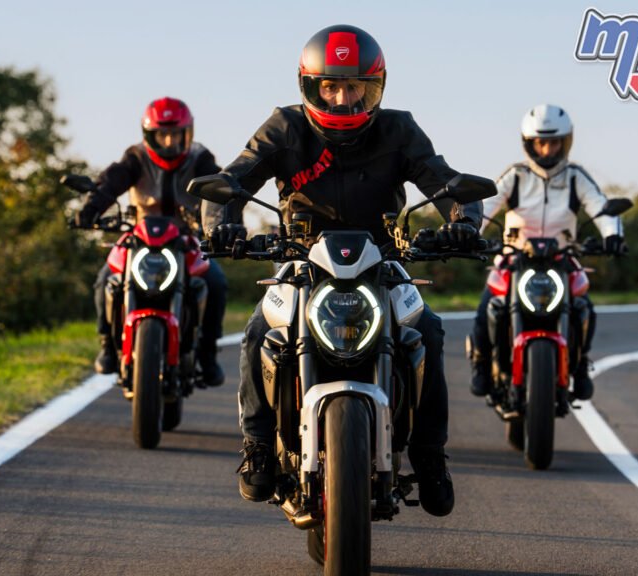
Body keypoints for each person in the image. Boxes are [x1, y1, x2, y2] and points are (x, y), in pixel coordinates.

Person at [200, 24, 484, 517]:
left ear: (375, 88)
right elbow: (234, 177)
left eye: (355, 87)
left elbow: (444, 180)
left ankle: (430, 457)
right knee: (258, 332)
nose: (343, 97)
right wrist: (223, 225)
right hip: (300, 259)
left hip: (385, 262)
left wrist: (462, 222)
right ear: (309, 86)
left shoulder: (400, 130)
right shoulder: (283, 128)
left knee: (429, 334)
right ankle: (258, 445)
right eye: (330, 86)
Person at [469, 104, 627, 401]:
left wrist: (613, 235)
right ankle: (480, 363)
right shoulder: (514, 176)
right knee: (487, 307)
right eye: (540, 142)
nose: (547, 149)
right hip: (514, 259)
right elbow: (485, 208)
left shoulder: (575, 177)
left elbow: (600, 207)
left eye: (554, 142)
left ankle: (579, 366)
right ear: (529, 143)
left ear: (565, 142)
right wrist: (469, 231)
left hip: (562, 260)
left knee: (584, 308)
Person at [75, 97, 227, 387]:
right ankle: (107, 345)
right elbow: (110, 184)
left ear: (188, 133)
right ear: (149, 135)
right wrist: (90, 210)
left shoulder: (200, 158)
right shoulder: (135, 157)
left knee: (216, 282)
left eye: (175, 133)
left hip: (186, 238)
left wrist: (225, 223)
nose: (169, 140)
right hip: (139, 236)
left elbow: (220, 189)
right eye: (162, 134)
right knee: (105, 279)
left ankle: (208, 355)